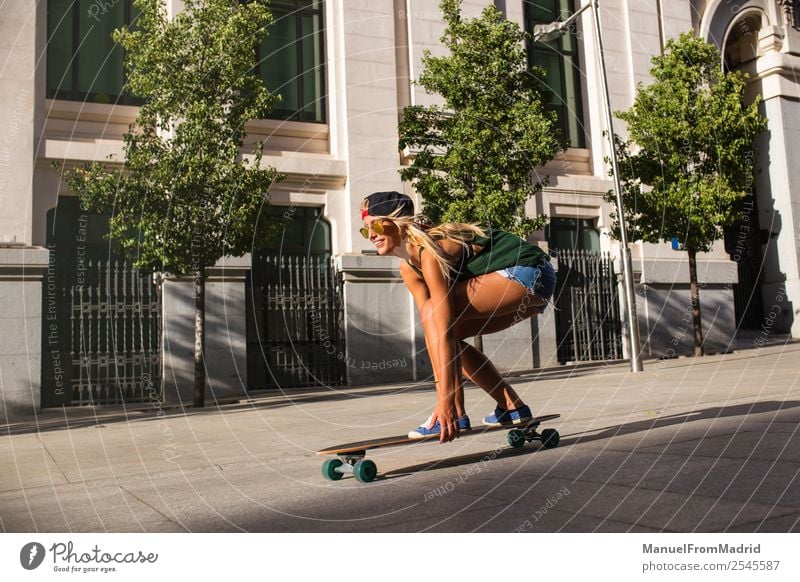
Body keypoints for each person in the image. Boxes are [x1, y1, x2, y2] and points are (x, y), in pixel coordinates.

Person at [359, 191, 557, 443]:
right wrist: (452, 408)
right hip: (530, 289)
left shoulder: (429, 250)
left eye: (375, 225)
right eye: (366, 230)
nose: (372, 235)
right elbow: (437, 336)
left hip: (528, 272)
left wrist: (445, 406)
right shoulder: (408, 268)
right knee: (444, 332)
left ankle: (455, 411)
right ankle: (511, 407)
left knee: (437, 316)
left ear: (398, 222)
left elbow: (439, 320)